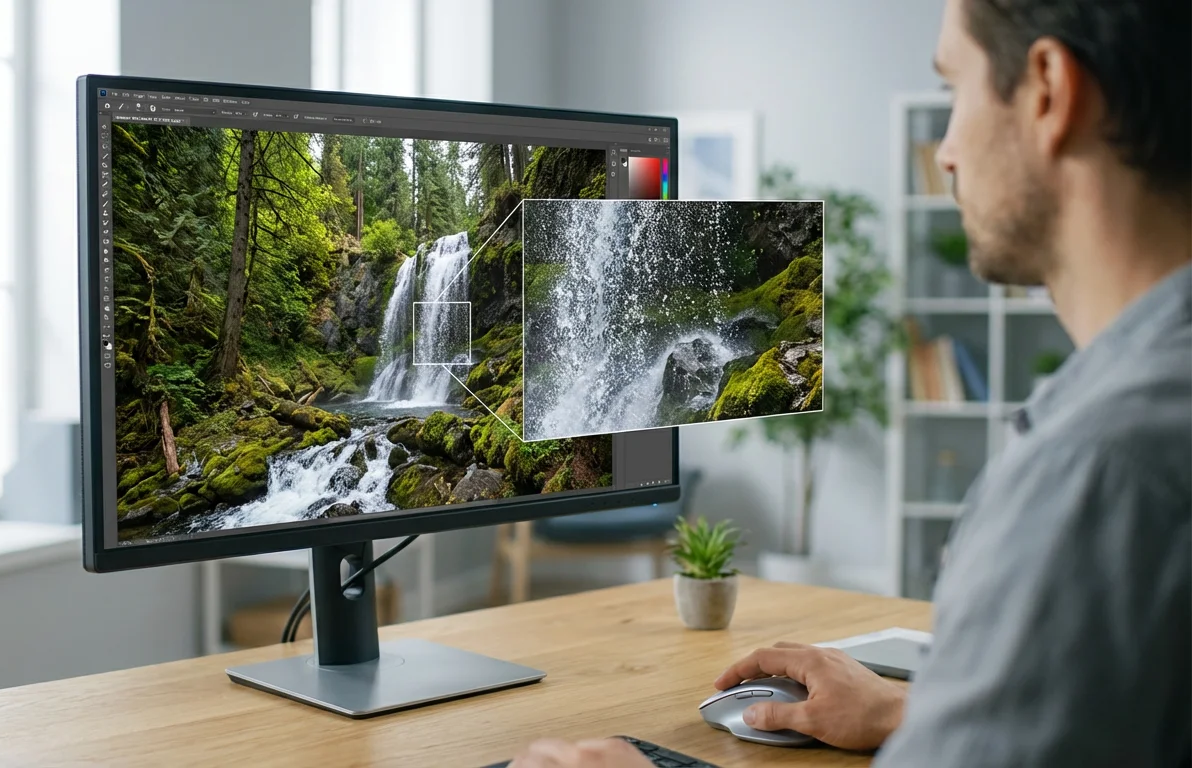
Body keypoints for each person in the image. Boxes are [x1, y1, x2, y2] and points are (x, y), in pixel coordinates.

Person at [509, 0, 1190, 764]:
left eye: (955, 92)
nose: (950, 150)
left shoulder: (1098, 472)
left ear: (1048, 92)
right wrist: (918, 709)